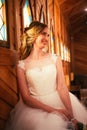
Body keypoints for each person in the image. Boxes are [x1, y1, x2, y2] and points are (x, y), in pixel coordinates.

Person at [5, 21, 87, 130]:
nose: (47, 38)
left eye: (48, 35)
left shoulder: (55, 59)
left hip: (58, 100)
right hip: (35, 108)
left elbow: (62, 87)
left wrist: (71, 116)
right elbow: (26, 97)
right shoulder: (22, 65)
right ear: (34, 34)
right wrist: (53, 110)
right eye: (43, 34)